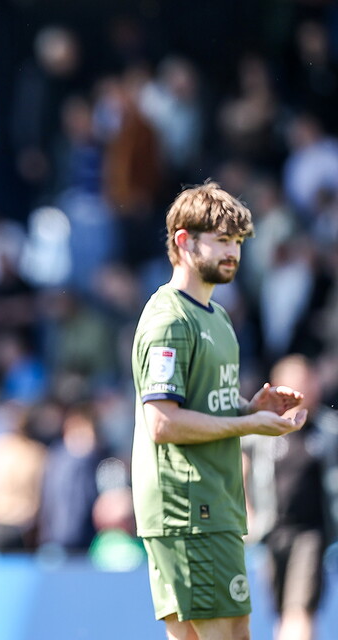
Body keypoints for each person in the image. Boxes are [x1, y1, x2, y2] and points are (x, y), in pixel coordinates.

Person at [130, 181, 307, 640]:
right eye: (222, 240)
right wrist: (249, 423)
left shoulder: (219, 317)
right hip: (188, 509)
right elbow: (163, 422)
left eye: (238, 242)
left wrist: (250, 407)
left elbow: (205, 408)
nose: (233, 252)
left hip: (215, 504)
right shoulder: (169, 319)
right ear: (184, 241)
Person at [245, 354, 336, 640]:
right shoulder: (263, 431)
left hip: (311, 533)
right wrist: (248, 513)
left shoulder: (327, 431)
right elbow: (239, 463)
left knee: (300, 610)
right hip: (271, 532)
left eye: (307, 382)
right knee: (284, 614)